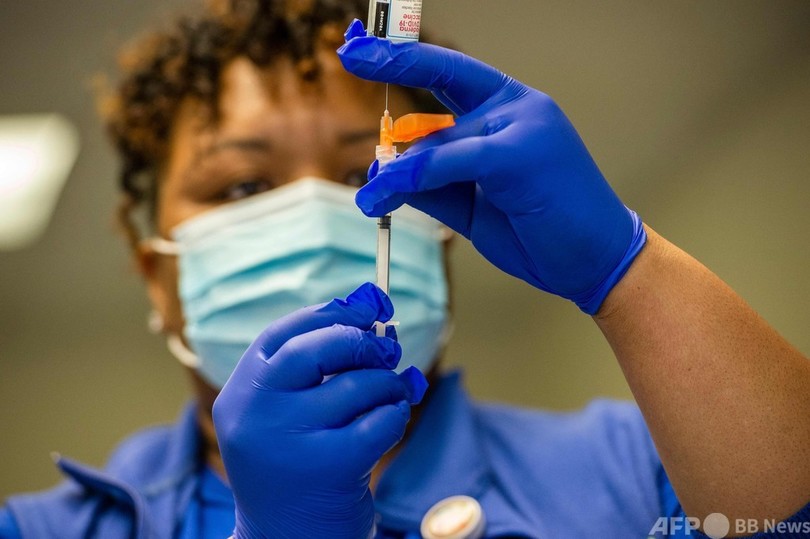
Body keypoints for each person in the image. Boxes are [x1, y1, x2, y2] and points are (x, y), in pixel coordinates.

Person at [2, 1, 809, 538]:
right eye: (243, 186)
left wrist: (627, 270)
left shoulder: (643, 468)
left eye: (366, 171)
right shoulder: (41, 530)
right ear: (158, 276)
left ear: (443, 227)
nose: (316, 215)